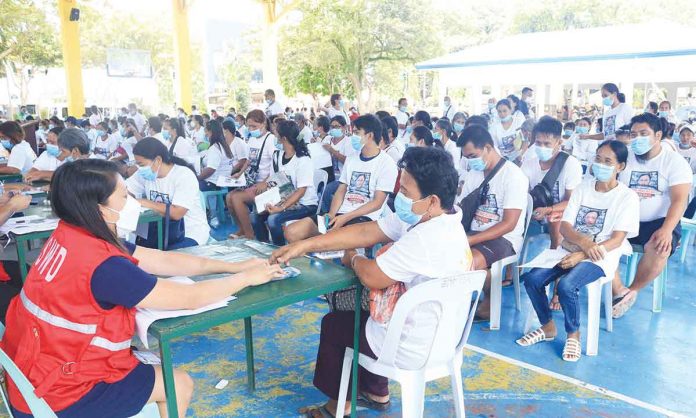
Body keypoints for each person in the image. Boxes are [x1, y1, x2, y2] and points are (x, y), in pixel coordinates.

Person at [1, 158, 284, 418]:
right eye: (125, 196)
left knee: (149, 363)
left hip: (34, 373)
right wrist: (247, 278)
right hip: (61, 392)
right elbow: (191, 297)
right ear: (99, 208)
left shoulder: (72, 233)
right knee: (179, 383)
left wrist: (232, 266)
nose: (133, 202)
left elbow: (161, 259)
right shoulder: (104, 265)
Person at [270, 147, 470, 418]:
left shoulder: (425, 238)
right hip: (445, 339)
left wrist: (352, 259)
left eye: (407, 192)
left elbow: (372, 275)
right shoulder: (445, 221)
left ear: (432, 200)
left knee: (335, 323)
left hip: (410, 346)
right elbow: (367, 231)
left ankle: (335, 407)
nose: (400, 196)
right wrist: (306, 245)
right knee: (364, 313)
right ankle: (376, 391)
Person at [517, 140, 639, 362]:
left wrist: (584, 254)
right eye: (598, 159)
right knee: (532, 279)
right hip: (570, 248)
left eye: (608, 161)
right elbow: (565, 226)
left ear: (620, 166)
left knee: (566, 285)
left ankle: (573, 334)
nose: (601, 164)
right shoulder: (583, 188)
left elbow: (617, 239)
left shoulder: (627, 197)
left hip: (602, 256)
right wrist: (584, 244)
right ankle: (547, 327)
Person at [612, 113, 692, 318]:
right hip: (625, 218)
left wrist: (666, 230)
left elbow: (679, 200)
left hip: (659, 221)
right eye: (633, 134)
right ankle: (618, 290)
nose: (637, 138)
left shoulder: (674, 162)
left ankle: (632, 290)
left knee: (659, 247)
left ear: (657, 135)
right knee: (600, 241)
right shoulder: (625, 157)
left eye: (643, 133)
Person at [283, 114, 397, 245]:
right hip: (340, 214)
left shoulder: (386, 163)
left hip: (363, 219)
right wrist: (332, 214)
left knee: (327, 240)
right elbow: (341, 190)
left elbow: (377, 203)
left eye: (356, 132)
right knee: (292, 232)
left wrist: (345, 217)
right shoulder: (352, 158)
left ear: (369, 136)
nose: (353, 136)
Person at [459, 125, 528, 322]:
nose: (471, 161)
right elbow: (461, 207)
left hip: (504, 238)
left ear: (488, 147)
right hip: (474, 232)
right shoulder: (474, 174)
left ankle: (490, 300)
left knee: (466, 261)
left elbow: (509, 224)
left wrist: (469, 240)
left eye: (473, 155)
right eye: (467, 157)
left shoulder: (513, 176)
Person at [127, 138, 210, 249]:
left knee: (164, 261)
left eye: (141, 164)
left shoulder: (183, 176)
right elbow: (124, 190)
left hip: (188, 232)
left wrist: (145, 202)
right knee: (136, 253)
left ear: (157, 160)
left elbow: (177, 213)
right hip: (159, 230)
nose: (139, 168)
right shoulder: (145, 174)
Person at [250, 120, 318, 245]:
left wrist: (280, 208)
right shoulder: (277, 156)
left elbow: (301, 191)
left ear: (284, 138)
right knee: (255, 216)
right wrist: (267, 200)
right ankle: (264, 247)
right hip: (282, 199)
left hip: (305, 205)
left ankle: (280, 251)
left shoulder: (302, 160)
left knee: (273, 219)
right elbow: (273, 179)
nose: (275, 137)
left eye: (276, 135)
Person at [522, 116, 583, 248]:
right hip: (536, 211)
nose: (541, 147)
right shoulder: (528, 165)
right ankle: (516, 263)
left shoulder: (570, 164)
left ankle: (554, 254)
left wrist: (549, 209)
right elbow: (522, 194)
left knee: (555, 218)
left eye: (547, 144)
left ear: (559, 142)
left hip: (561, 213)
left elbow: (571, 201)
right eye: (538, 143)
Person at [226, 110, 277, 239]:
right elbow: (249, 161)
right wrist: (239, 174)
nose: (250, 129)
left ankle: (250, 234)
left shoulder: (271, 140)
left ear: (263, 123)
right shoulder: (252, 139)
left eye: (254, 126)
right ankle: (243, 228)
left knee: (237, 198)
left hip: (267, 184)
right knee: (229, 197)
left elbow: (276, 166)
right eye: (249, 126)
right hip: (252, 181)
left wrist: (265, 182)